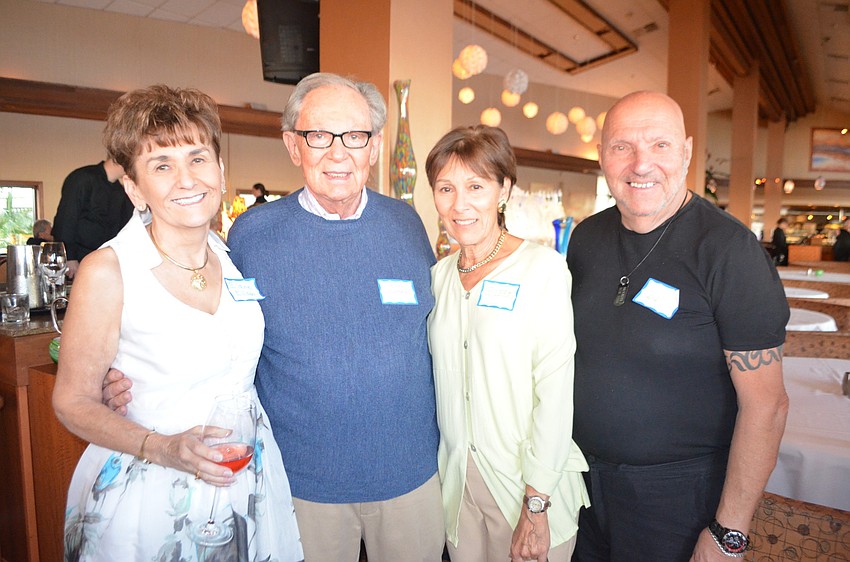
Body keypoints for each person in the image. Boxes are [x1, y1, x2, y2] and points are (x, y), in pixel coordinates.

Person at [103, 72, 444, 561]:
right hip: (301, 481)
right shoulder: (251, 236)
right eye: (319, 136)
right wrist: (123, 374)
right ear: (293, 146)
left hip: (410, 472)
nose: (338, 152)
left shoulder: (407, 225)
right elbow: (206, 322)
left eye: (355, 136)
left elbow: (440, 332)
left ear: (373, 148)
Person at [52, 85, 302, 562]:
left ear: (221, 172)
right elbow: (71, 402)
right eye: (161, 165)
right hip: (151, 488)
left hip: (244, 479)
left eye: (198, 158)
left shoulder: (234, 260)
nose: (186, 179)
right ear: (133, 189)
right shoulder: (109, 270)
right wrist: (161, 447)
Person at [567, 91, 789, 562]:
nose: (640, 164)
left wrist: (730, 531)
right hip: (581, 484)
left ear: (687, 151)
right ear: (602, 154)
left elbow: (766, 407)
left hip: (678, 499)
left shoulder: (730, 252)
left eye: (660, 145)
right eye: (622, 146)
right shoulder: (586, 239)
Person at [425, 125, 589, 562]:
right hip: (458, 488)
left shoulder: (543, 270)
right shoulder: (439, 277)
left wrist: (536, 504)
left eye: (476, 186)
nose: (460, 204)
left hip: (527, 490)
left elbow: (555, 395)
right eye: (446, 188)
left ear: (504, 191)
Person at [52, 157, 134, 279]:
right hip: (78, 261)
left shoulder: (120, 191)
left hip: (104, 263)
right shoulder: (82, 178)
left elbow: (124, 229)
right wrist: (70, 257)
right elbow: (66, 220)